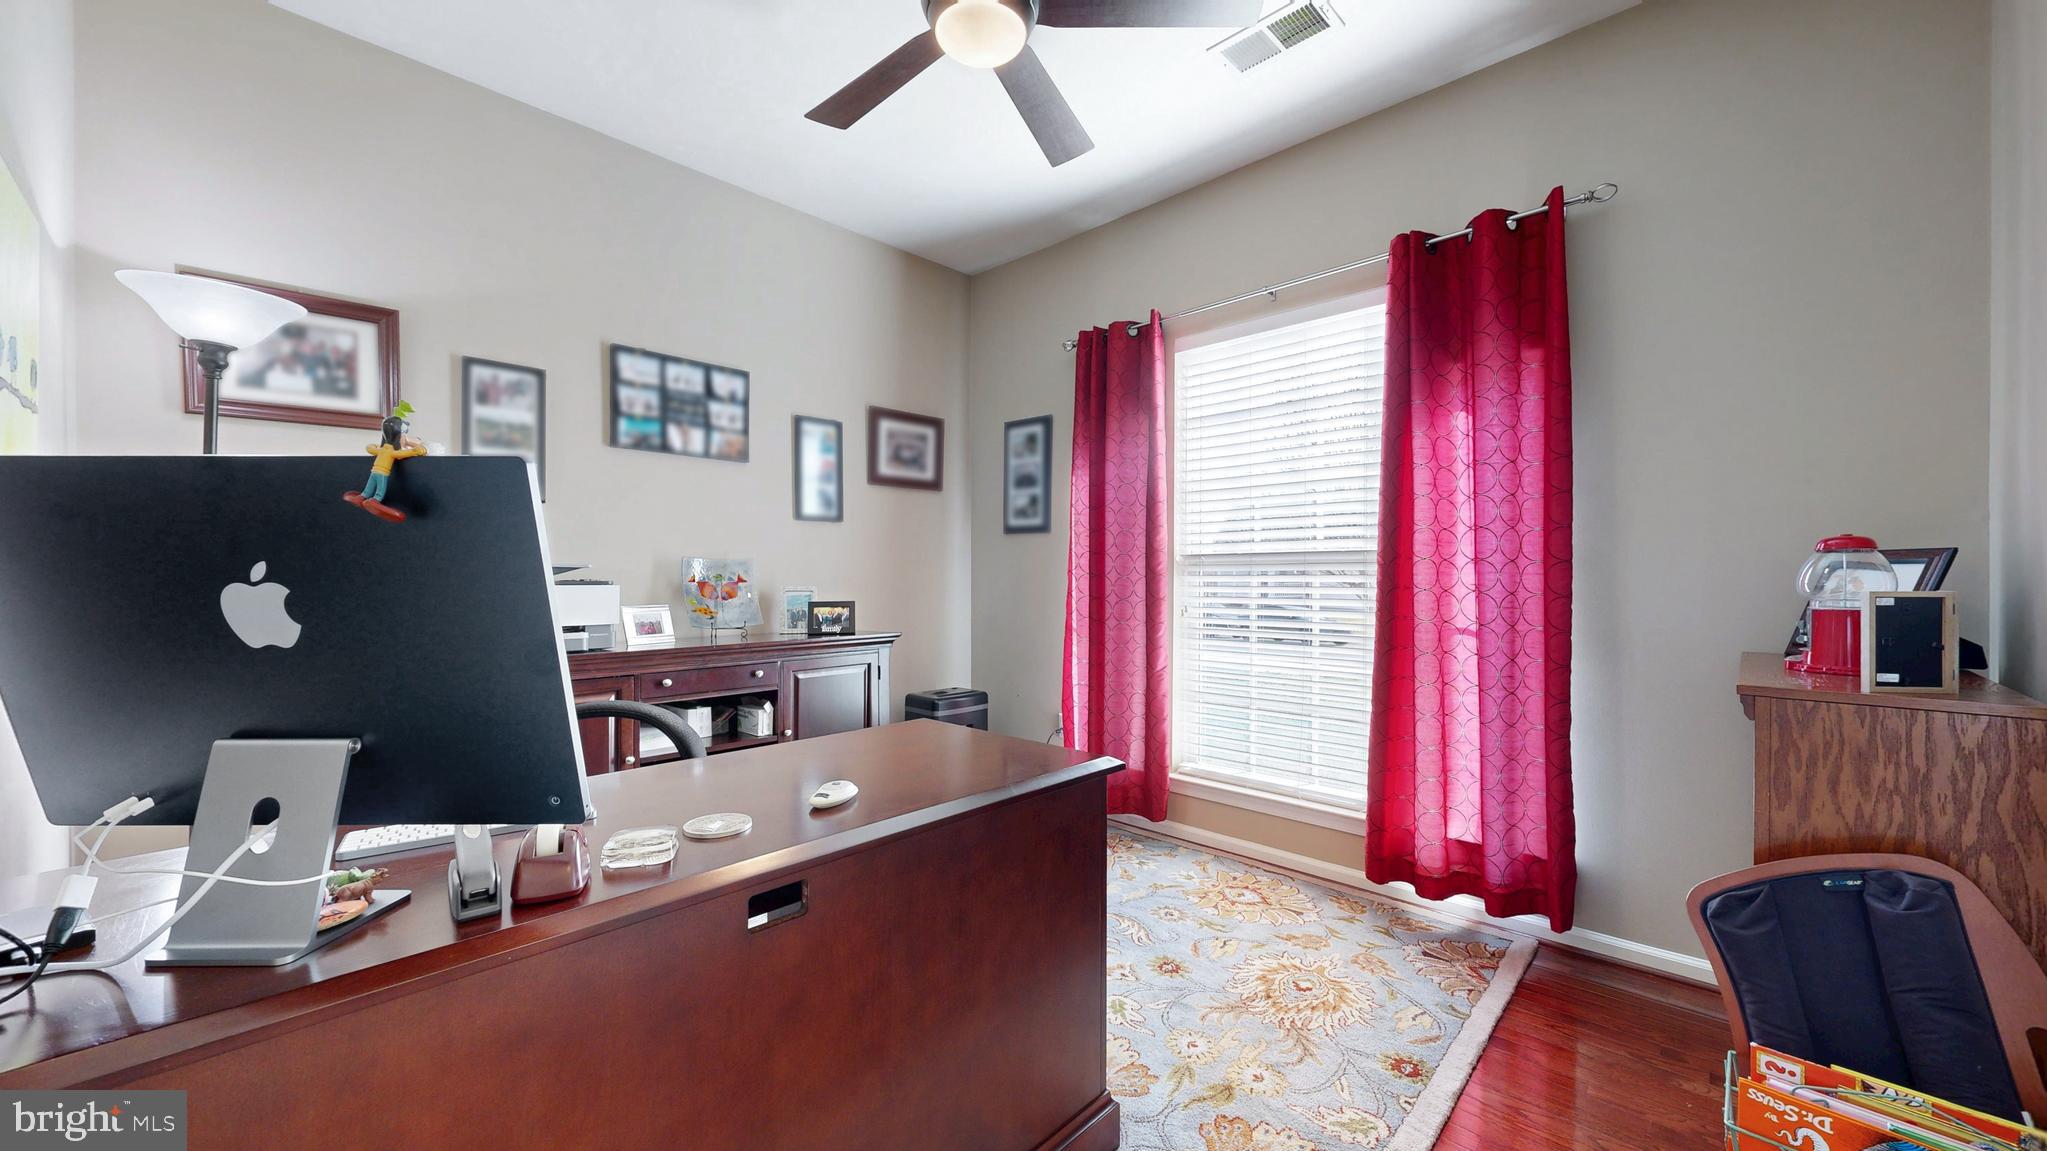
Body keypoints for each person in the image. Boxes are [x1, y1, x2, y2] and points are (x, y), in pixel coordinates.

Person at [345, 402, 427, 522]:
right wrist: (417, 451)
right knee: (380, 490)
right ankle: (375, 500)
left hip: (373, 472)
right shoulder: (392, 452)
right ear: (399, 434)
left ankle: (361, 497)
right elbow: (403, 454)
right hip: (382, 474)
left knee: (369, 488)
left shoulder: (381, 449)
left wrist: (375, 445)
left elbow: (369, 448)